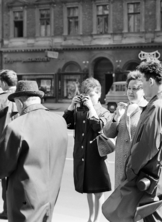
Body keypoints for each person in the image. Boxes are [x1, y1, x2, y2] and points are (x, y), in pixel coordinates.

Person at [102, 59, 162, 222]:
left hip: (148, 177)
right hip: (160, 175)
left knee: (149, 216)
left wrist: (131, 171)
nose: (135, 89)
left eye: (140, 83)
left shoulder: (158, 106)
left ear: (149, 81)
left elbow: (147, 147)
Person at [0, 80, 68, 222]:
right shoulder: (60, 122)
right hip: (50, 198)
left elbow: (2, 167)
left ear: (19, 102)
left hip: (24, 202)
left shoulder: (16, 126)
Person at [63, 77, 112, 222]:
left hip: (96, 157)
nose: (88, 99)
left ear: (99, 94)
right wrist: (72, 105)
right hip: (82, 155)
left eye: (91, 95)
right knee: (88, 190)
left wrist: (91, 108)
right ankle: (91, 217)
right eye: (85, 96)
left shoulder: (104, 112)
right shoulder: (79, 111)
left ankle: (97, 219)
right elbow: (65, 122)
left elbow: (98, 127)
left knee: (98, 191)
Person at [103, 71, 148, 188]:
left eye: (135, 89)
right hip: (120, 169)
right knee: (120, 202)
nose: (131, 92)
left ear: (144, 91)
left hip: (137, 169)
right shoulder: (123, 107)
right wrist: (116, 117)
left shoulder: (148, 110)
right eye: (129, 88)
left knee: (134, 203)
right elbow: (108, 133)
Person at [0, 69, 18, 220]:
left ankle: (7, 210)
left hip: (4, 143)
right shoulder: (23, 98)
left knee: (5, 177)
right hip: (22, 142)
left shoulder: (1, 99)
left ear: (3, 83)